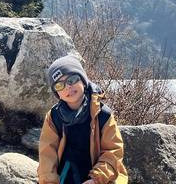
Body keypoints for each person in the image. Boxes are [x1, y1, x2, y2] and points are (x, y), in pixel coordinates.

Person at [38, 55, 128, 184]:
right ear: (56, 93)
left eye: (72, 80)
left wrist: (96, 179)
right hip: (65, 175)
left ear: (83, 81)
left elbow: (113, 151)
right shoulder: (53, 117)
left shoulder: (103, 115)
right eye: (59, 85)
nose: (68, 87)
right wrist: (50, 181)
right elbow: (47, 154)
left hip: (99, 177)